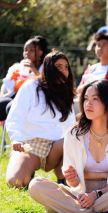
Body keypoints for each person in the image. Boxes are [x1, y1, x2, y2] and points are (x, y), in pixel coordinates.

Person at [28, 80, 108, 213]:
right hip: (79, 195)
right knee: (36, 185)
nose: (88, 104)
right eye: (86, 99)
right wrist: (73, 180)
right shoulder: (73, 135)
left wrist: (95, 194)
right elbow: (73, 182)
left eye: (95, 99)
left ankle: (69, 212)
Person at [5, 50, 75, 188]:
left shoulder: (67, 92)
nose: (64, 70)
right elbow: (15, 117)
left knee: (73, 139)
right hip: (30, 145)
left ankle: (63, 178)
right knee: (16, 182)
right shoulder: (31, 86)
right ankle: (26, 170)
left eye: (66, 67)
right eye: (59, 66)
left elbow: (70, 125)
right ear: (48, 68)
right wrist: (16, 139)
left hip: (55, 147)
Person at [0, 36, 48, 120]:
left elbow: (47, 85)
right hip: (12, 98)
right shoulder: (17, 67)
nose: (27, 53)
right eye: (25, 50)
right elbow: (5, 86)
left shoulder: (46, 68)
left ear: (40, 52)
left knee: (11, 107)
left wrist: (34, 69)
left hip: (33, 101)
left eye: (31, 50)